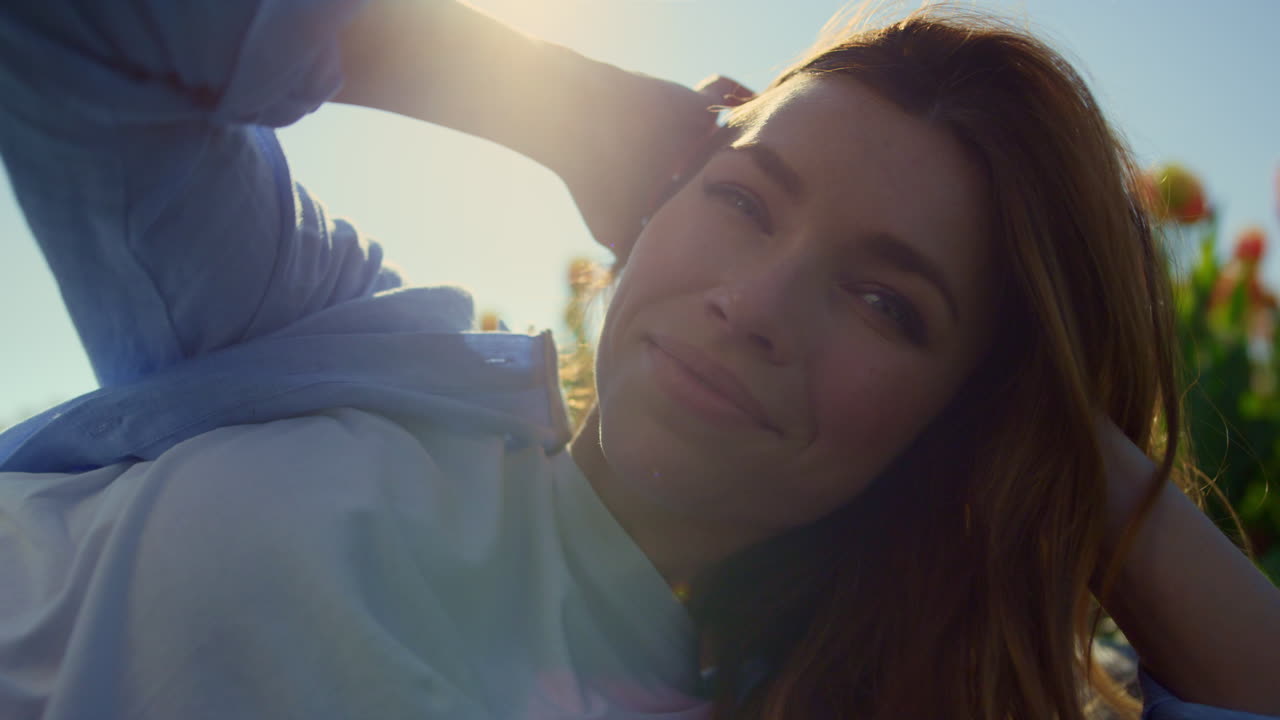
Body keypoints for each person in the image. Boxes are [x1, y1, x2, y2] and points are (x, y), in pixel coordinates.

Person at [0, 1, 1277, 719]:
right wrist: (549, 95)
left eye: (888, 302)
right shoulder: (340, 341)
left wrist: (1058, 445)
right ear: (655, 199)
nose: (757, 303)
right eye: (744, 199)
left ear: (960, 413)